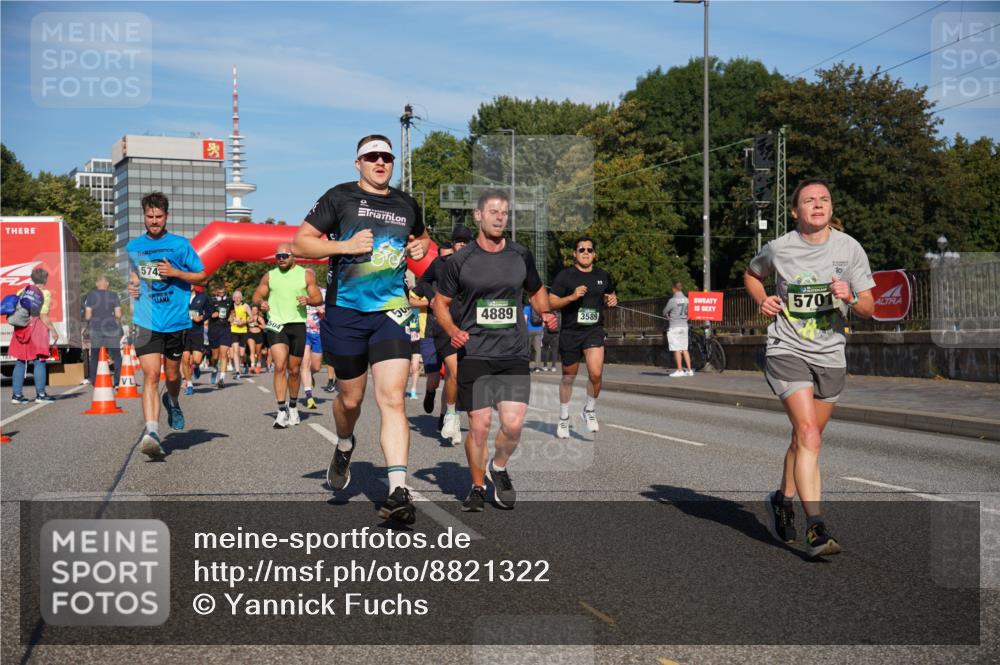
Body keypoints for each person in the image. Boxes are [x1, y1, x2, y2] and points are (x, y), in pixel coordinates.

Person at [292, 133, 429, 524]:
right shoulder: (339, 197)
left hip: (392, 311)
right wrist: (344, 247)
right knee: (351, 401)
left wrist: (421, 248)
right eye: (372, 157)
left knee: (393, 400)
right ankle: (345, 443)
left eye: (386, 156)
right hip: (346, 311)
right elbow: (300, 243)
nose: (380, 162)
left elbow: (421, 240)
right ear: (358, 163)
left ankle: (397, 491)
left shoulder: (406, 203)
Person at [744, 178, 875, 558]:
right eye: (809, 201)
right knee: (808, 434)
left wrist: (850, 296)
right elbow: (752, 275)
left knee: (807, 437)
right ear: (796, 211)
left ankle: (782, 500)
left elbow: (868, 307)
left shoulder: (849, 249)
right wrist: (762, 299)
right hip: (786, 347)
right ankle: (816, 528)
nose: (818, 205)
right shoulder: (779, 248)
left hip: (830, 354)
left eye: (824, 200)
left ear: (831, 208)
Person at [433, 189, 556, 512]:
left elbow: (537, 290)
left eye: (505, 213)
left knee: (513, 425)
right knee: (479, 425)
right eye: (494, 212)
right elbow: (440, 304)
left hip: (513, 352)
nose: (500, 217)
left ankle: (498, 468)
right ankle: (476, 486)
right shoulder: (460, 260)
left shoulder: (520, 254)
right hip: (475, 353)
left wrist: (546, 312)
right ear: (478, 216)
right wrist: (453, 331)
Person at [126, 192, 207, 457]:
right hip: (146, 320)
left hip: (175, 321)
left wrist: (176, 273)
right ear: (144, 216)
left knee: (172, 376)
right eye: (149, 216)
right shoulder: (134, 247)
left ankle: (172, 400)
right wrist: (133, 285)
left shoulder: (181, 245)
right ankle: (152, 432)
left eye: (159, 217)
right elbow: (134, 274)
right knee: (150, 375)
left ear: (166, 216)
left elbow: (203, 276)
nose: (154, 221)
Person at [548, 236, 618, 438]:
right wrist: (571, 297)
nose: (585, 253)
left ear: (594, 254)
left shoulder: (603, 275)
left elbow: (610, 296)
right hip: (571, 332)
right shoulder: (565, 276)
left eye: (589, 249)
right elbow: (551, 303)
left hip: (593, 330)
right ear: (574, 253)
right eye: (581, 250)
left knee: (596, 374)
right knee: (568, 378)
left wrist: (612, 300)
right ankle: (563, 419)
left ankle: (589, 409)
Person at [252, 242, 323, 428]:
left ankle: (293, 406)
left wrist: (308, 300)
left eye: (285, 256)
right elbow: (257, 295)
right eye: (278, 256)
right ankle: (281, 410)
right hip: (276, 324)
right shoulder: (270, 276)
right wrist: (261, 303)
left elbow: (318, 298)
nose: (281, 259)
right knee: (279, 365)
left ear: (293, 257)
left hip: (297, 324)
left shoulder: (305, 274)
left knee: (294, 370)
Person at [414, 226, 472, 445]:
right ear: (453, 243)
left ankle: (448, 412)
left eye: (466, 242)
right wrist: (432, 298)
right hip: (445, 327)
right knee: (453, 372)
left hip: (471, 327)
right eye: (458, 242)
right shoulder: (441, 264)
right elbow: (423, 282)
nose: (462, 245)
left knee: (458, 376)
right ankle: (451, 415)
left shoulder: (478, 264)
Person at [9, 267, 58, 404]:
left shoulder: (22, 290)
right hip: (37, 329)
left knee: (20, 362)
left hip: (21, 328)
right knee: (39, 361)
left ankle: (17, 396)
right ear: (45, 279)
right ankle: (40, 395)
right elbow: (43, 315)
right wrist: (53, 330)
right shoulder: (45, 293)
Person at [83, 275, 124, 388]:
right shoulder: (114, 295)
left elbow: (87, 316)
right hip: (111, 328)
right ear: (107, 284)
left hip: (96, 328)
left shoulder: (91, 296)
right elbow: (118, 314)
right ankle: (117, 383)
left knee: (95, 356)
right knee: (116, 356)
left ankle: (94, 381)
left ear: (97, 284)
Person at [181, 286, 212, 395]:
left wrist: (201, 317)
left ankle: (197, 366)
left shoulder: (202, 296)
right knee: (185, 359)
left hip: (197, 331)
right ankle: (189, 384)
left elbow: (210, 311)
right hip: (184, 331)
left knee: (197, 360)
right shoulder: (181, 296)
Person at [301, 289, 326, 409]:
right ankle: (309, 396)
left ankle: (310, 376)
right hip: (303, 332)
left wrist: (323, 311)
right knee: (304, 365)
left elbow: (332, 311)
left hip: (319, 333)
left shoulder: (323, 293)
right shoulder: (300, 293)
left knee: (316, 367)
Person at [206, 283, 234, 388]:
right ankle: (214, 369)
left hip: (225, 328)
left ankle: (221, 379)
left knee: (224, 353)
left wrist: (232, 317)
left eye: (223, 290)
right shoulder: (211, 300)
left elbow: (232, 311)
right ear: (216, 291)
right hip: (213, 329)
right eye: (219, 290)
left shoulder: (229, 300)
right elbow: (206, 313)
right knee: (215, 356)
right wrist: (212, 315)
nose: (221, 292)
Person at [663, 282, 693, 377]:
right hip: (684, 326)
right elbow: (689, 313)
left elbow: (664, 312)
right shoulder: (687, 300)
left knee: (676, 348)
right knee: (684, 348)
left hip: (674, 326)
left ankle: (680, 370)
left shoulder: (672, 300)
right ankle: (689, 370)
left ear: (674, 289)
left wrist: (668, 316)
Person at [229, 290, 251, 378]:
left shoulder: (245, 306)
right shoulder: (230, 307)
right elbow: (228, 318)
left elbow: (251, 318)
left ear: (241, 298)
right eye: (235, 297)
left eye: (239, 297)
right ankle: (238, 371)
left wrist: (244, 321)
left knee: (241, 353)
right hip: (233, 330)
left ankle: (245, 363)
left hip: (243, 331)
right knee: (235, 350)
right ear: (233, 298)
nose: (237, 299)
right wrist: (231, 320)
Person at [525, 304, 544, 370]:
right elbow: (543, 320)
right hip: (538, 330)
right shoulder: (540, 307)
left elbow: (525, 319)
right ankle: (537, 367)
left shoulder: (527, 308)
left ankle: (526, 366)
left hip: (529, 330)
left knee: (527, 349)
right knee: (538, 349)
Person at [247, 304, 263, 374]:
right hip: (250, 334)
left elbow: (264, 327)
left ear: (257, 311)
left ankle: (259, 363)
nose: (254, 311)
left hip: (258, 335)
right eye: (252, 310)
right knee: (252, 351)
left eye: (255, 310)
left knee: (258, 352)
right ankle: (252, 365)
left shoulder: (259, 318)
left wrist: (257, 324)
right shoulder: (248, 318)